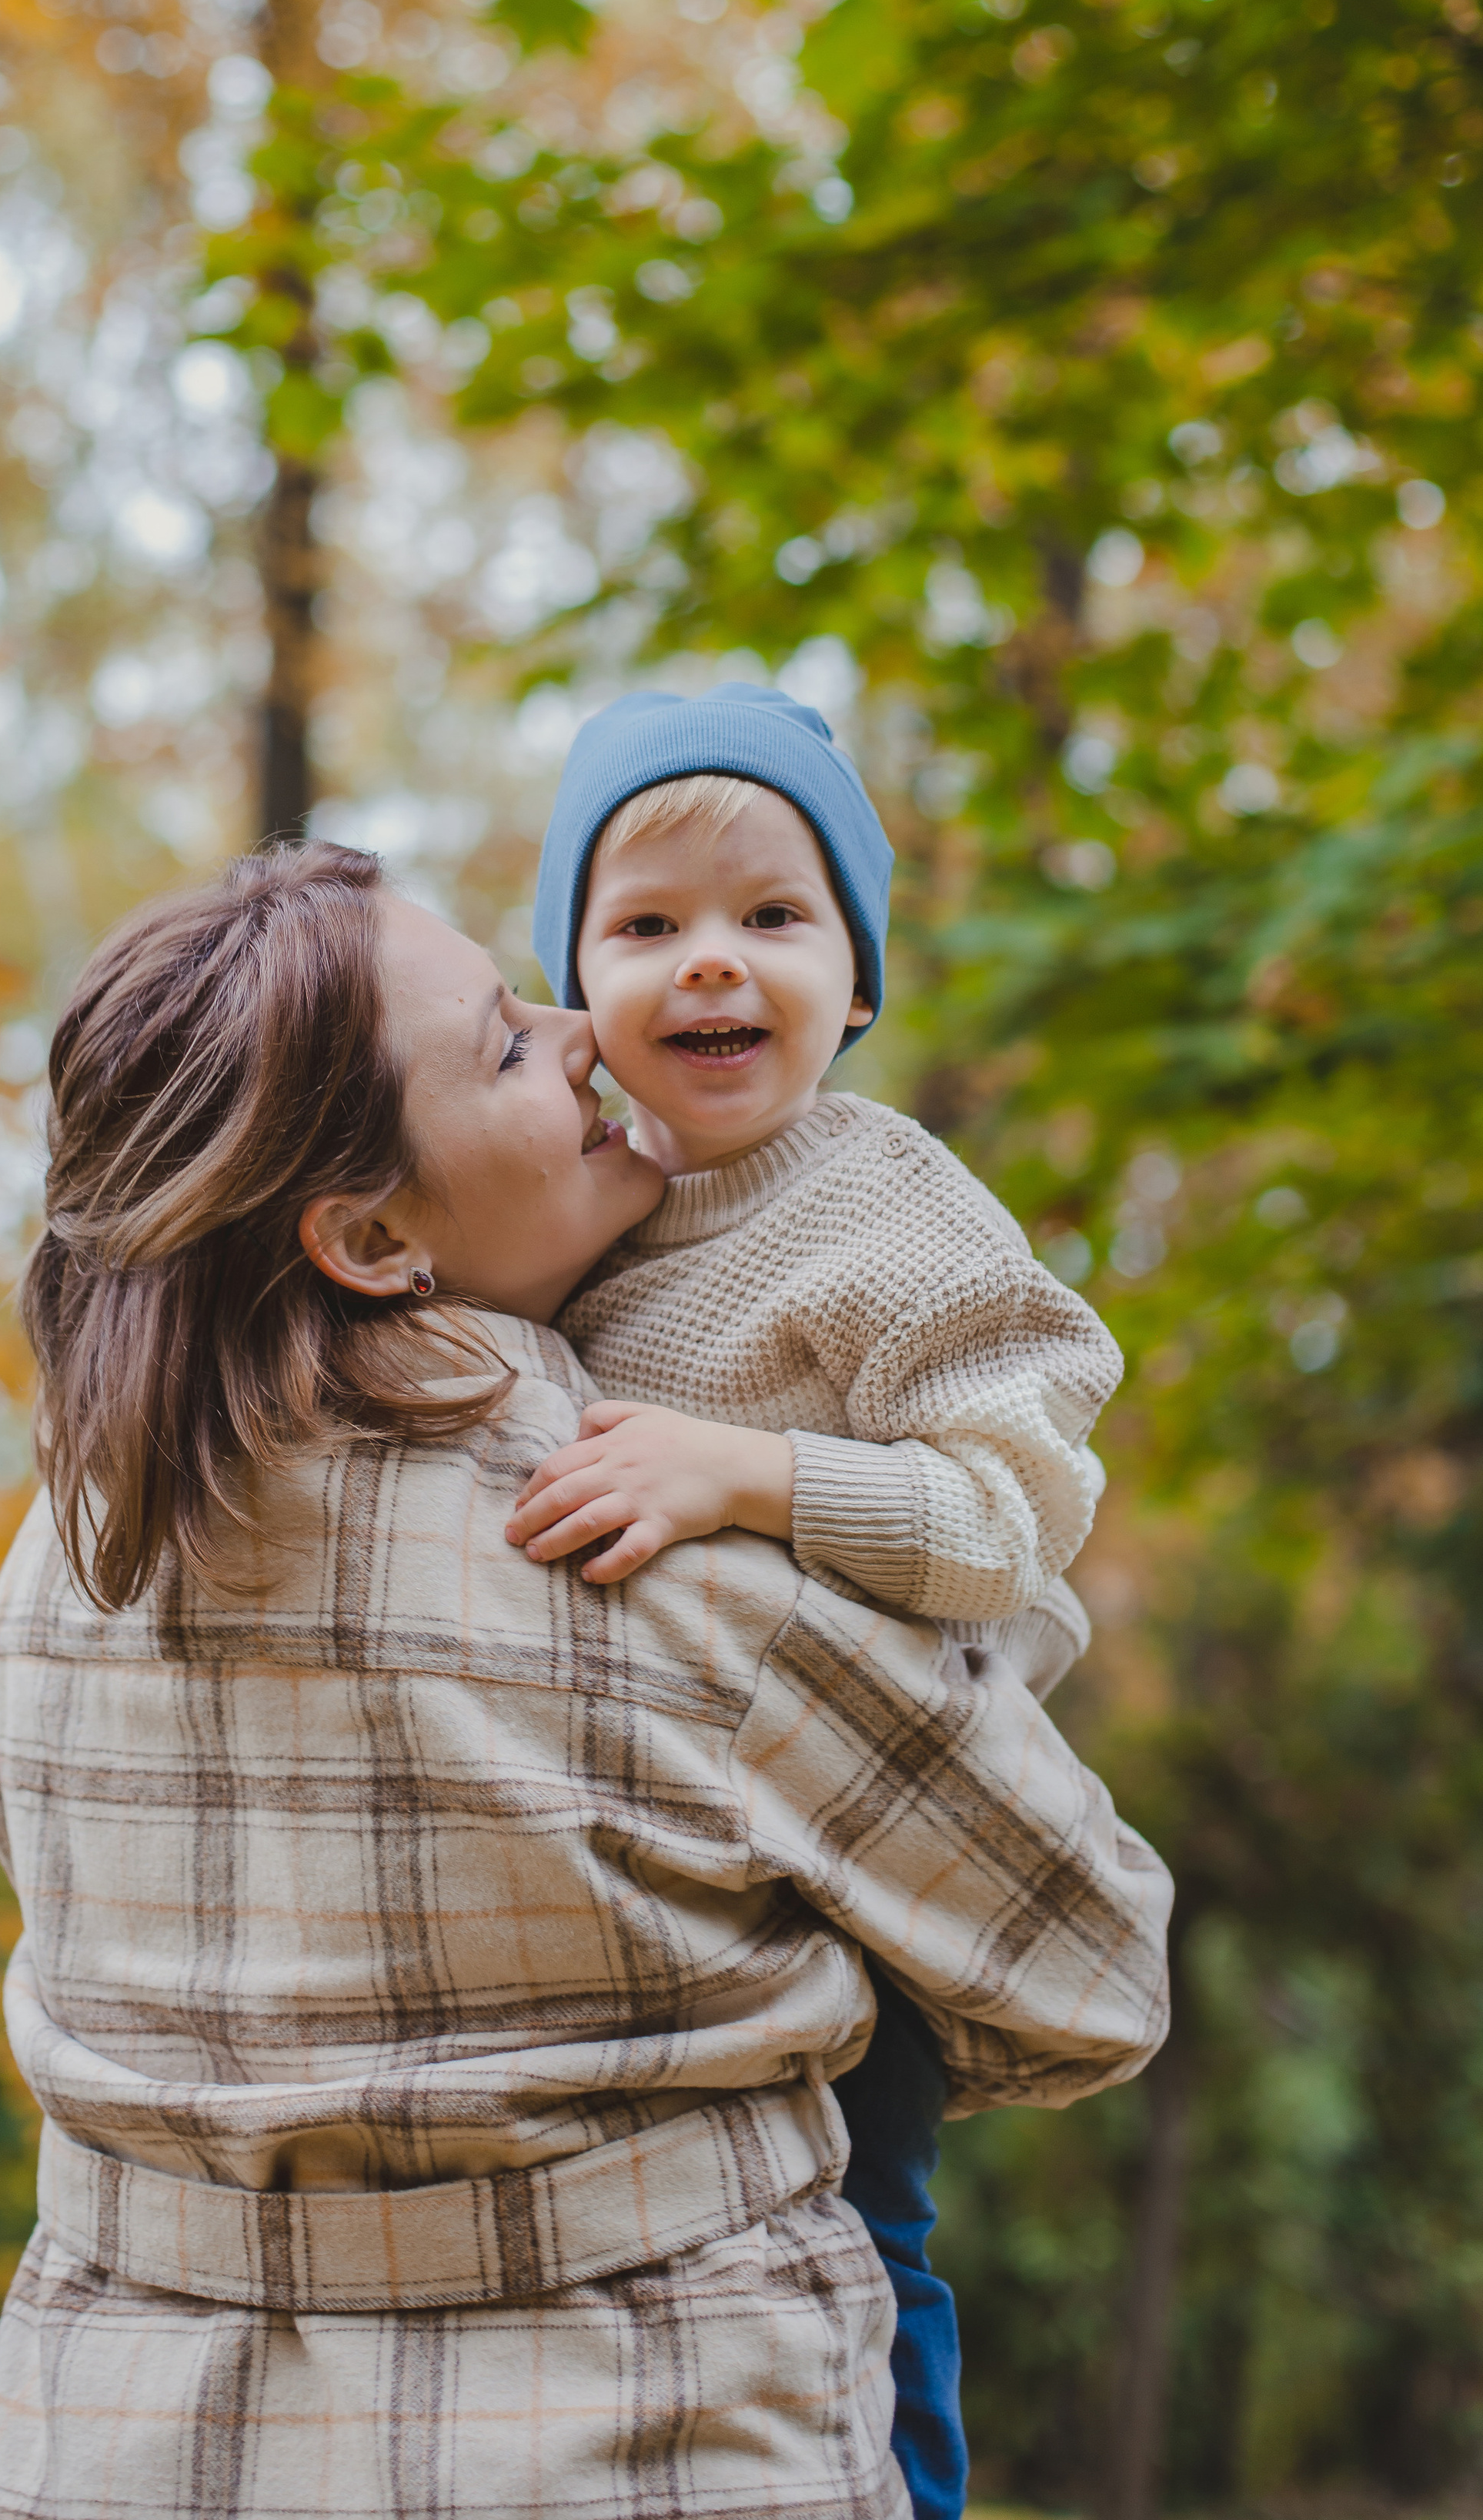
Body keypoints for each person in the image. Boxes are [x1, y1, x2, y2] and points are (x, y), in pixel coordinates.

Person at [0, 840, 1171, 2520]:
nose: (581, 1031)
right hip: (642, 2445)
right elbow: (1087, 1970)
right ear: (371, 1235)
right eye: (505, 1046)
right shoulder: (630, 1540)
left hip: (129, 2452)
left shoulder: (64, 1556)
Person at [507, 682, 1126, 2520]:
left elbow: (1005, 1520)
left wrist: (740, 1472)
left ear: (854, 981)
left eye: (771, 917)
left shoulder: (887, 1207)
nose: (711, 964)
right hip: (647, 1866)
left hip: (864, 1848)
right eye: (647, 924)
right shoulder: (575, 1211)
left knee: (850, 2236)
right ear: (576, 990)